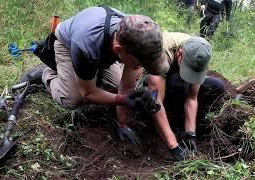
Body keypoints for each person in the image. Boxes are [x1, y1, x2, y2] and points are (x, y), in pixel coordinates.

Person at [21, 6, 170, 144]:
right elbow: (88, 93)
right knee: (74, 99)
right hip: (67, 44)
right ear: (119, 50)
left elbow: (126, 87)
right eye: (141, 64)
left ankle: (86, 73)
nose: (141, 68)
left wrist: (122, 123)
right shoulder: (86, 47)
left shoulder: (139, 34)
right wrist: (124, 100)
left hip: (100, 49)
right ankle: (47, 73)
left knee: (113, 88)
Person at [136, 32, 226, 161]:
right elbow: (156, 102)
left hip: (175, 79)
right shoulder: (162, 52)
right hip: (149, 81)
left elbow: (192, 97)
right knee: (178, 83)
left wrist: (191, 134)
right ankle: (163, 128)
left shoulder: (200, 54)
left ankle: (180, 124)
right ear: (179, 54)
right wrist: (173, 146)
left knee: (217, 86)